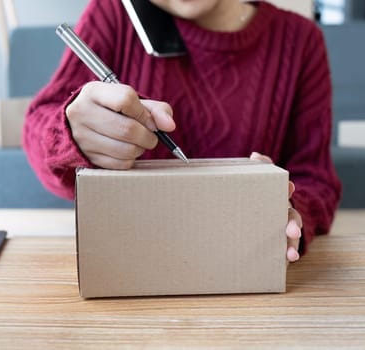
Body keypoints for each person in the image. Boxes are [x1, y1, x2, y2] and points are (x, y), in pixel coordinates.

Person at [23, 0, 342, 262]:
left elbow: (316, 181)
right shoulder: (113, 13)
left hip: (244, 263)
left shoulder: (299, 41)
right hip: (129, 258)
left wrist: (290, 211)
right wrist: (70, 133)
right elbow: (39, 126)